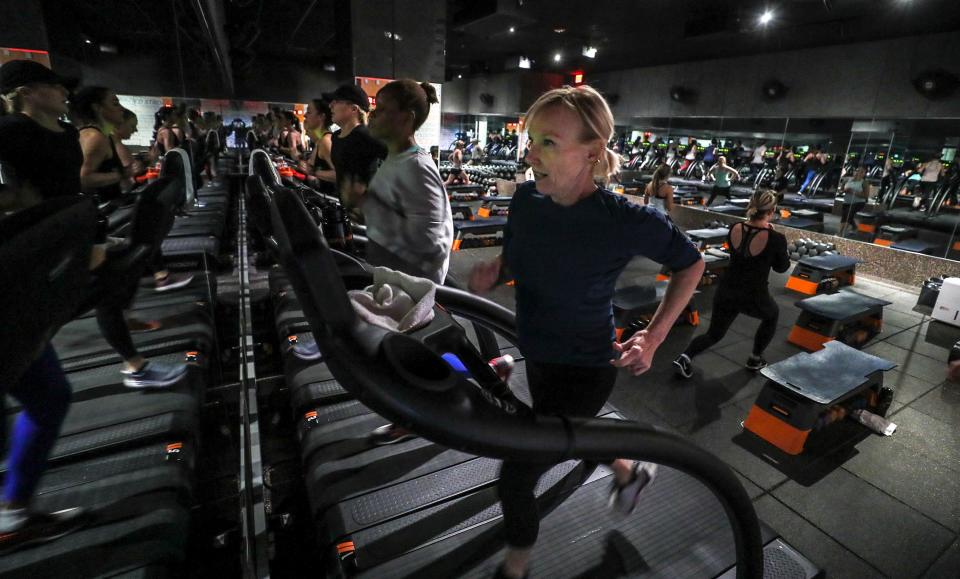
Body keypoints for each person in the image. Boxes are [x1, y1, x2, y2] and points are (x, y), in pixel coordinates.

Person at [467, 85, 704, 579]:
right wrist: (497, 268)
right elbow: (518, 254)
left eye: (549, 142)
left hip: (586, 365)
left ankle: (515, 569)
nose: (532, 153)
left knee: (516, 477)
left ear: (592, 152)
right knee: (573, 435)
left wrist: (655, 336)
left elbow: (691, 263)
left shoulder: (623, 219)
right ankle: (628, 472)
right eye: (532, 140)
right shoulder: (529, 201)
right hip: (540, 354)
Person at [0, 59, 100, 550]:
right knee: (47, 395)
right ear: (25, 92)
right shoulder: (8, 136)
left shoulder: (59, 138)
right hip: (10, 286)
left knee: (49, 396)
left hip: (24, 285)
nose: (63, 95)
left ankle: (13, 512)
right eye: (53, 87)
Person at [363, 78, 454, 446]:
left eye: (382, 108)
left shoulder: (416, 166)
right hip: (395, 276)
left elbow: (433, 241)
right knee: (417, 360)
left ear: (407, 118)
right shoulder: (395, 159)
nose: (374, 114)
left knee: (411, 362)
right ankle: (486, 373)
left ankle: (415, 420)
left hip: (415, 284)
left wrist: (373, 211)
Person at [674, 190, 790, 378]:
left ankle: (685, 357)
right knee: (772, 315)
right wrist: (778, 245)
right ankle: (755, 358)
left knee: (714, 334)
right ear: (772, 211)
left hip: (726, 290)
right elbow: (782, 267)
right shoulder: (776, 238)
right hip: (754, 295)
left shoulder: (735, 227)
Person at [322, 83, 387, 212]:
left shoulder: (365, 135)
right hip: (348, 213)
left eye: (336, 102)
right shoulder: (335, 137)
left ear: (353, 109)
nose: (330, 106)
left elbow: (399, 161)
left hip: (369, 216)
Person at [71, 86, 132, 203]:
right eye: (115, 104)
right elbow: (84, 179)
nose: (122, 109)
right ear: (97, 108)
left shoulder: (97, 134)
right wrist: (122, 174)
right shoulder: (96, 137)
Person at [297, 99, 336, 195]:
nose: (305, 115)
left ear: (321, 117)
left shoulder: (326, 141)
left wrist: (314, 172)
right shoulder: (320, 141)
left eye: (309, 112)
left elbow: (340, 175)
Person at [840, 166, 871, 236]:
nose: (858, 173)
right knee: (845, 214)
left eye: (861, 172)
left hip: (859, 202)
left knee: (848, 213)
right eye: (857, 170)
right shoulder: (847, 180)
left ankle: (841, 233)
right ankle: (854, 227)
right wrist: (844, 191)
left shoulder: (864, 182)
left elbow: (866, 196)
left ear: (864, 174)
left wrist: (853, 192)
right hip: (847, 201)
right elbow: (841, 191)